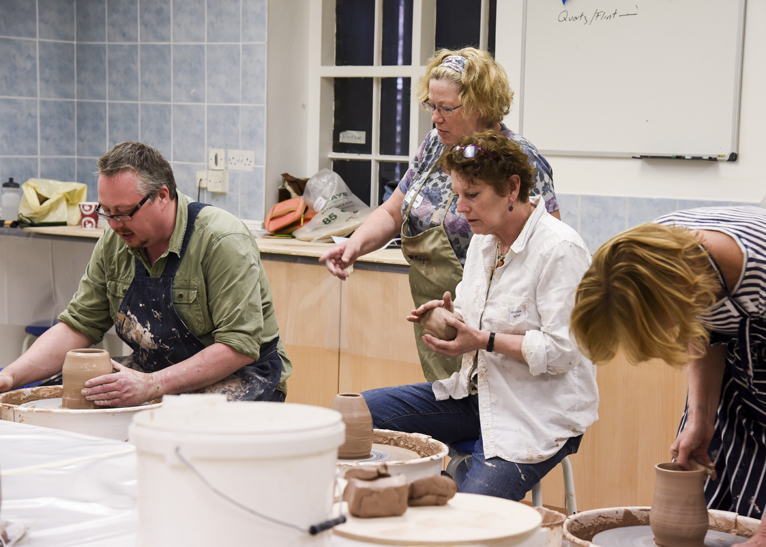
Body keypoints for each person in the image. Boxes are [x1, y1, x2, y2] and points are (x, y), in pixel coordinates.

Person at [363, 132, 598, 500]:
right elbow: (474, 322)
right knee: (355, 416)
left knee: (471, 517)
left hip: (534, 411)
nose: (460, 208)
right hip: (478, 394)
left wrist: (484, 341)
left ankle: (442, 504)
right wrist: (451, 318)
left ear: (511, 188)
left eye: (472, 195)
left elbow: (564, 352)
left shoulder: (559, 249)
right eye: (457, 195)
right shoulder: (483, 240)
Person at [320, 47, 559, 382]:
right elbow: (393, 211)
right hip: (441, 315)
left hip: (499, 330)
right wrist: (353, 246)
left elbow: (548, 250)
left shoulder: (520, 159)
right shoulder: (435, 145)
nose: (435, 117)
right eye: (431, 105)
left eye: (446, 108)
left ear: (480, 107)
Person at [0, 142, 291, 405]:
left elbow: (238, 347)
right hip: (155, 372)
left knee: (172, 436)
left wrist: (151, 385)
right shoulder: (115, 239)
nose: (114, 225)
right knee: (49, 398)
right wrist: (11, 376)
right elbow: (79, 325)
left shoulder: (221, 239)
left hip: (242, 375)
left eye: (124, 212)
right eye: (107, 212)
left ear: (162, 196)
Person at [570, 207, 766, 544]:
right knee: (709, 489)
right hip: (738, 368)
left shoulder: (757, 271)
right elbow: (703, 327)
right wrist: (701, 417)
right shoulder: (649, 256)